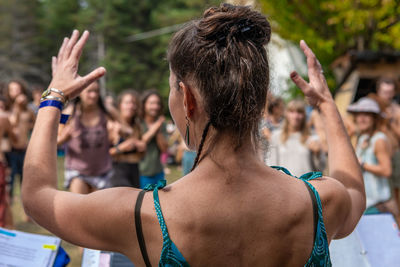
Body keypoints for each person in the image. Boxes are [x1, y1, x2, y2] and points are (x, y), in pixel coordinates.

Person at [22, 4, 365, 266]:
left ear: (187, 99)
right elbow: (353, 190)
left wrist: (55, 97)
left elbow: (38, 196)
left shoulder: (142, 215)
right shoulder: (321, 202)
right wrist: (326, 106)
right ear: (261, 99)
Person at [57, 81, 113, 193]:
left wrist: (118, 131)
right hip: (77, 171)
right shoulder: (67, 113)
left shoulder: (107, 111)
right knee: (78, 207)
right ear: (80, 93)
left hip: (102, 172)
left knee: (99, 210)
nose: (93, 95)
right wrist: (65, 138)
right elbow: (54, 141)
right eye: (89, 91)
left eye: (96, 91)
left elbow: (128, 130)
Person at [347, 97, 398, 217]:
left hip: (378, 206)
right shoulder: (362, 138)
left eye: (367, 115)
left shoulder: (379, 139)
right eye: (359, 115)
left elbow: (386, 171)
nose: (361, 119)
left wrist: (363, 164)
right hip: (365, 205)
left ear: (375, 119)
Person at [267, 99, 323, 176]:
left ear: (304, 115)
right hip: (284, 185)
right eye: (292, 112)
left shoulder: (312, 137)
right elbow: (271, 166)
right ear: (286, 114)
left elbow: (321, 168)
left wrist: (318, 154)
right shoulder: (276, 137)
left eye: (299, 112)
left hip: (306, 185)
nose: (295, 116)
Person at [108, 90, 146, 188]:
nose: (131, 106)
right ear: (120, 105)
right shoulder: (112, 125)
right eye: (127, 103)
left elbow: (141, 156)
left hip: (134, 170)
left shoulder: (137, 126)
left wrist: (142, 147)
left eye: (133, 103)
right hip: (117, 171)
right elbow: (103, 154)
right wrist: (122, 147)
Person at [7, 80, 35, 200]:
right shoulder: (6, 108)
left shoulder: (28, 109)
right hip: (10, 151)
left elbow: (36, 124)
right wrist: (17, 107)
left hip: (25, 150)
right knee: (9, 183)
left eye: (18, 89)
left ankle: (27, 212)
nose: (16, 92)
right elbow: (13, 123)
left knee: (27, 183)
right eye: (13, 90)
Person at [139, 90, 168, 188]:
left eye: (157, 103)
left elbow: (164, 148)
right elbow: (140, 144)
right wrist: (155, 127)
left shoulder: (161, 125)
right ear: (144, 104)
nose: (155, 106)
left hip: (158, 172)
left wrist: (158, 130)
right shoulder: (138, 122)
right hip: (141, 173)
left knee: (158, 202)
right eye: (151, 103)